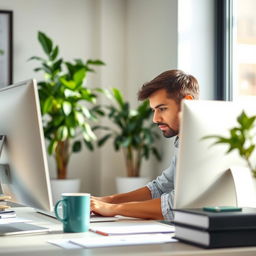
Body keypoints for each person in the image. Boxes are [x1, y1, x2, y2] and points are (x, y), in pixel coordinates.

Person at [91, 69, 200, 220]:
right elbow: (160, 188)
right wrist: (107, 201)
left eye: (162, 109)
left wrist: (114, 208)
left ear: (187, 102)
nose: (155, 119)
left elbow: (175, 206)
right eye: (154, 110)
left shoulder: (201, 143)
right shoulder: (184, 140)